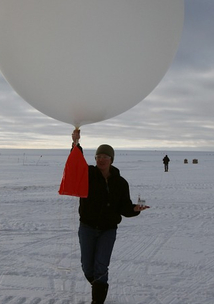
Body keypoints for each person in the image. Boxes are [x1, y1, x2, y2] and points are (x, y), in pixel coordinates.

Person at [71, 129, 149, 304]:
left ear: (111, 160)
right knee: (87, 267)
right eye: (98, 156)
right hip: (87, 227)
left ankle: (97, 300)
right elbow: (76, 164)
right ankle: (99, 287)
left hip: (108, 230)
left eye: (105, 156)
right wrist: (76, 143)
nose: (101, 159)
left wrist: (135, 209)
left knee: (101, 266)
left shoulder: (121, 183)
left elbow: (124, 207)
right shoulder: (88, 174)